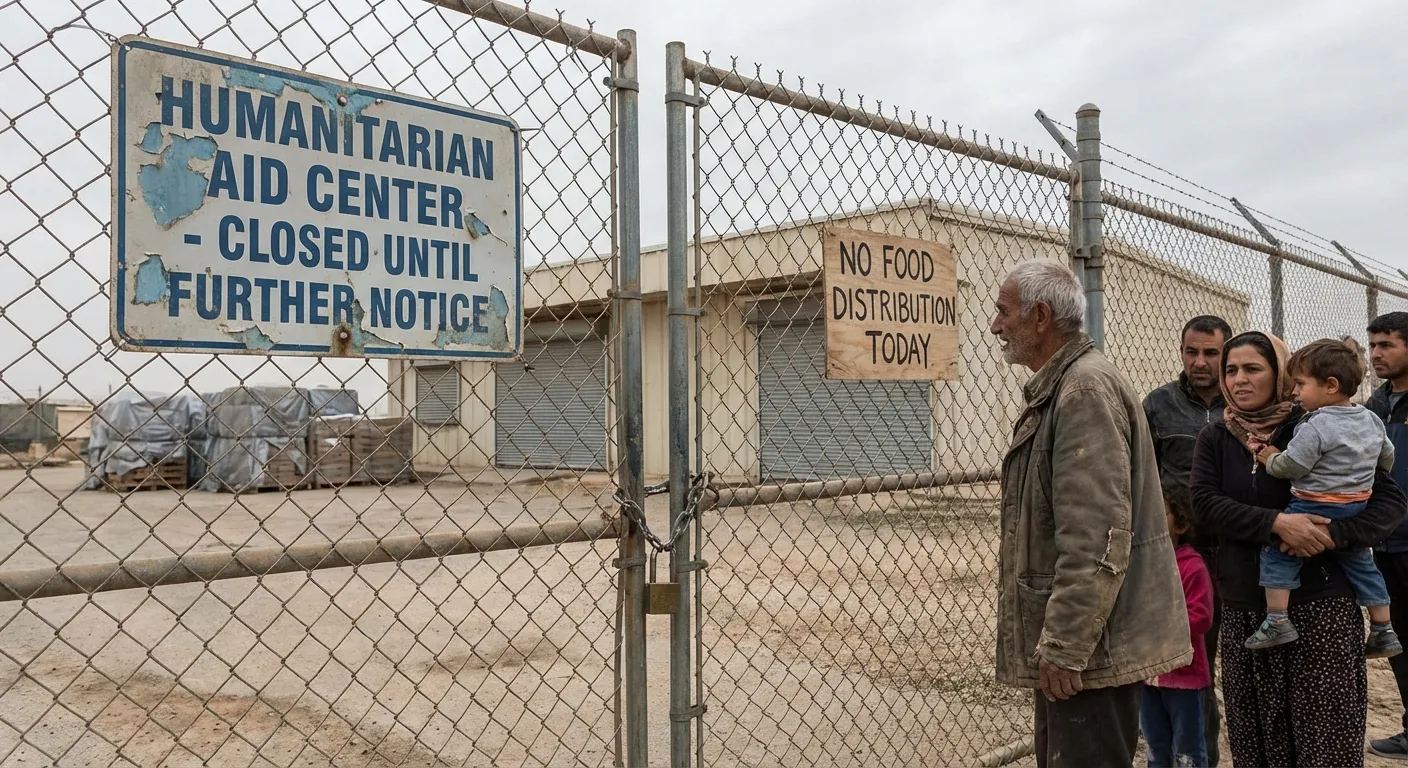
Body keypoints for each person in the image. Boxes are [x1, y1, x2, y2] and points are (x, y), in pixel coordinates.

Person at [989, 259, 1191, 768]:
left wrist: (1064, 644)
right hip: (1092, 646)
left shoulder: (1081, 390)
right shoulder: (1070, 384)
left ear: (1040, 316)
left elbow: (1095, 535)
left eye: (1003, 312)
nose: (995, 326)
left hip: (1093, 650)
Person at [1191, 330, 1408, 766]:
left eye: (1253, 369)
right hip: (1246, 606)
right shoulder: (1216, 437)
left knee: (1323, 738)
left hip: (1321, 603)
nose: (1239, 380)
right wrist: (1276, 524)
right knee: (1257, 740)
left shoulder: (1319, 423)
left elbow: (1390, 501)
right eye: (1230, 370)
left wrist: (1333, 537)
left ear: (1281, 376)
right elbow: (1205, 505)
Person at [1247, 339, 1400, 658]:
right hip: (1357, 504)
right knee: (1363, 563)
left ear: (1330, 385)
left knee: (1278, 554)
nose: (1294, 392)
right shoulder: (1369, 418)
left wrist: (1269, 457)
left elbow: (1293, 465)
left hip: (1313, 505)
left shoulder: (1316, 425)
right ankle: (1383, 629)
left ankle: (1277, 620)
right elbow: (1387, 455)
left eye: (1300, 384)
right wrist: (1363, 477)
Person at [1143, 314, 1231, 765]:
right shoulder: (1157, 405)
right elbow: (1140, 475)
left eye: (1210, 353)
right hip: (1178, 555)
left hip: (1236, 550)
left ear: (1226, 353)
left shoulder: (1245, 401)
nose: (1199, 362)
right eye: (1191, 351)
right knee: (1192, 663)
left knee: (1234, 664)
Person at [1141, 481, 1215, 768]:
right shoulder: (1144, 564)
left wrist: (1158, 624)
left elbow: (1201, 617)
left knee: (1187, 752)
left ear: (1181, 525)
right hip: (1149, 677)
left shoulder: (1191, 567)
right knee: (1155, 748)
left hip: (1184, 679)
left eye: (1164, 512)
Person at [1366, 312, 1408, 759]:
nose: (1376, 353)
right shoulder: (1375, 407)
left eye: (1387, 344)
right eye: (1373, 345)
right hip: (1383, 542)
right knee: (1397, 641)